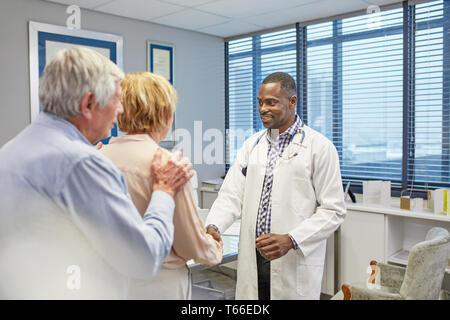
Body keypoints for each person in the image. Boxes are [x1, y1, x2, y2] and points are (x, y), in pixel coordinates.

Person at [0, 47, 193, 299]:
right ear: (88, 103)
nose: (121, 111)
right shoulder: (80, 162)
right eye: (116, 100)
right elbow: (143, 259)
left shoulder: (13, 149)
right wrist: (164, 191)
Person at [205, 72, 346, 300]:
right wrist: (214, 226)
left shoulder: (319, 147)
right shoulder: (252, 145)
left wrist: (291, 239)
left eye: (271, 102)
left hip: (292, 257)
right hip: (254, 257)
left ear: (292, 102)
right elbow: (231, 194)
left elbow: (334, 210)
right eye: (260, 102)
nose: (263, 109)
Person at [100, 72, 222, 299]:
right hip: (158, 283)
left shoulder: (96, 157)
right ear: (165, 113)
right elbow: (190, 245)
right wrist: (214, 248)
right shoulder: (168, 165)